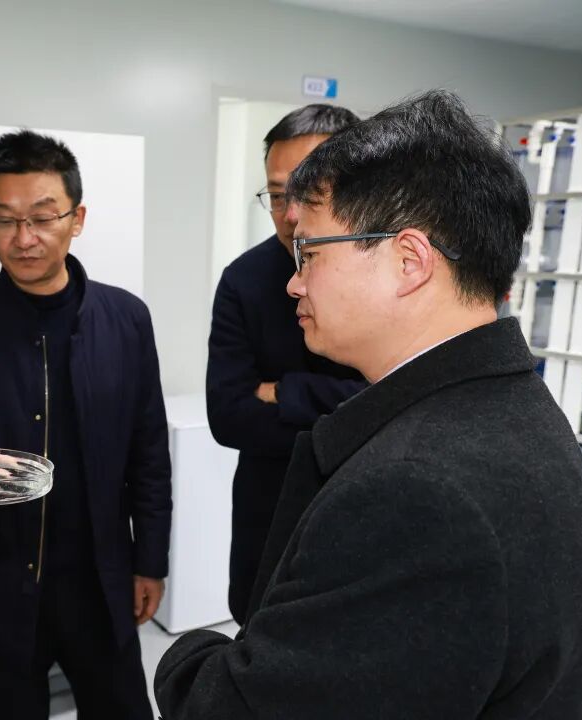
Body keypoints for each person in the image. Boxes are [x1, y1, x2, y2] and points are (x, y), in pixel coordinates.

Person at [155, 90, 582, 718]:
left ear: (408, 260)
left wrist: (188, 655)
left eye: (311, 253)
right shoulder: (516, 406)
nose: (294, 281)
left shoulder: (415, 490)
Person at [0, 130, 171, 720]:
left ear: (77, 219)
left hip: (100, 583)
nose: (23, 238)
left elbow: (148, 453)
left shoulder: (126, 319)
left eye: (43, 218)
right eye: (3, 220)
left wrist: (150, 560)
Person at [207, 103, 366, 623]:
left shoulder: (387, 273)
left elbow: (401, 402)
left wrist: (286, 391)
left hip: (362, 512)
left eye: (309, 190)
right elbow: (228, 417)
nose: (291, 213)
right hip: (268, 514)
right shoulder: (244, 279)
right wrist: (348, 411)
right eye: (278, 195)